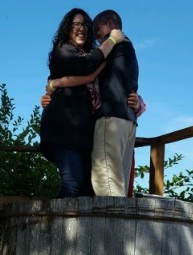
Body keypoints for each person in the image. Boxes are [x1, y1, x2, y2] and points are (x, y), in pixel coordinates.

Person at [39, 8, 126, 198]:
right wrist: (112, 40)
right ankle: (53, 226)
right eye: (75, 24)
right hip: (62, 129)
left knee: (87, 189)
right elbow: (87, 66)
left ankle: (77, 228)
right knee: (73, 182)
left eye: (85, 25)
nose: (81, 29)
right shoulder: (63, 50)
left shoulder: (90, 54)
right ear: (67, 28)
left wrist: (137, 101)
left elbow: (113, 84)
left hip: (84, 135)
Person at [91, 10, 140, 197]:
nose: (96, 36)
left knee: (108, 186)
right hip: (128, 120)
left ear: (111, 25)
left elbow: (88, 65)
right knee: (120, 184)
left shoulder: (113, 44)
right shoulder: (129, 50)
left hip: (111, 118)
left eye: (97, 30)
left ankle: (112, 227)